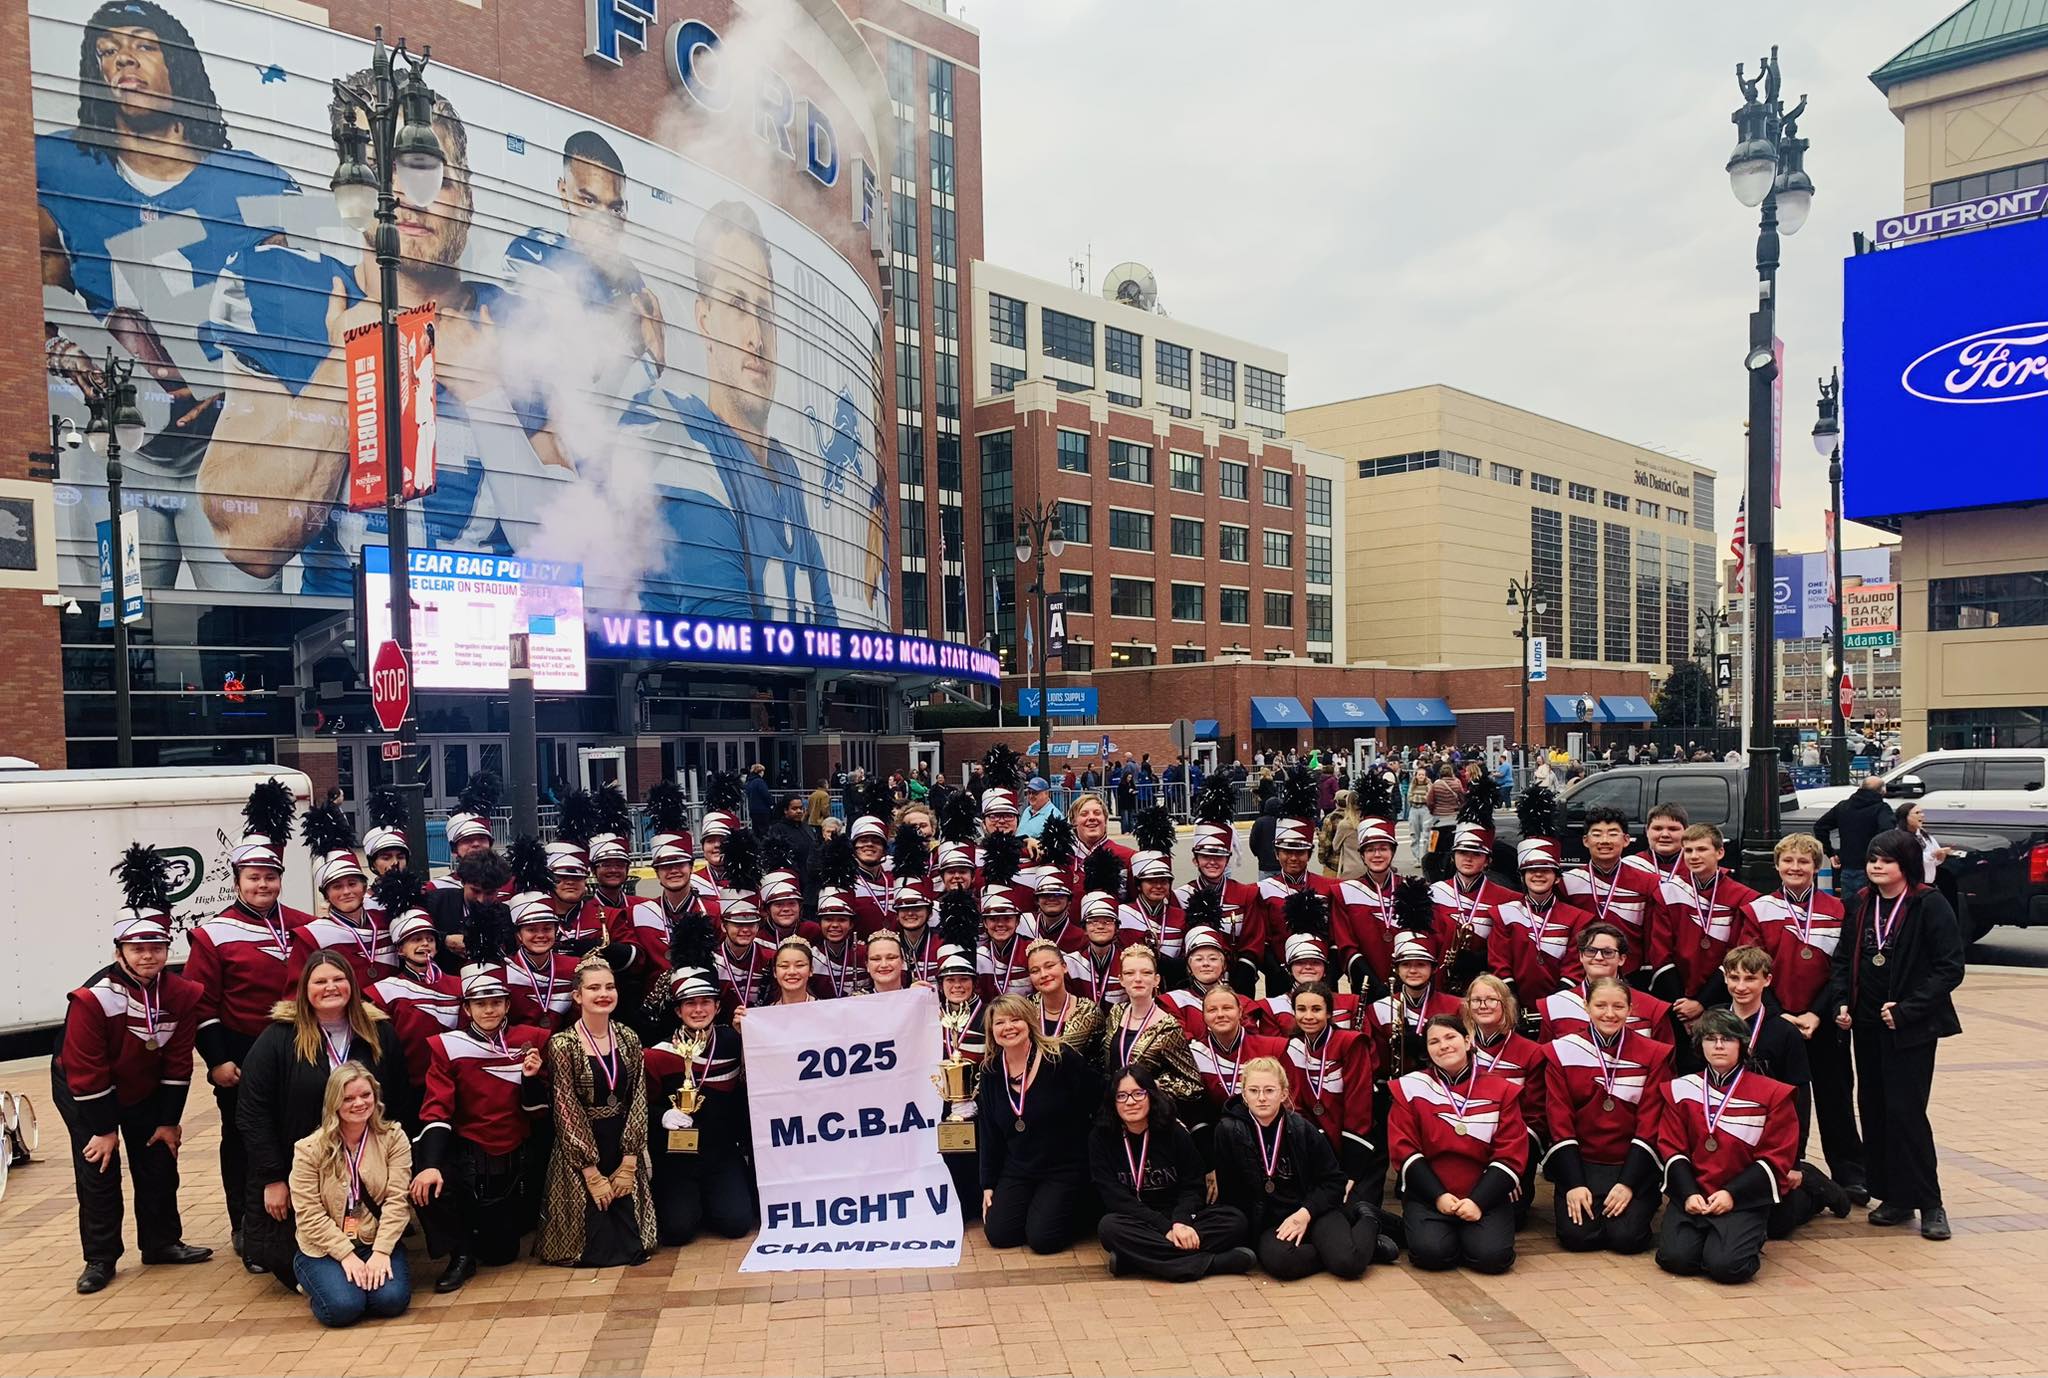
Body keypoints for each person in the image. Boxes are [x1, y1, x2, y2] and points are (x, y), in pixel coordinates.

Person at [38, 0, 301, 591]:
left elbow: (296, 311)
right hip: (121, 454)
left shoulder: (252, 178)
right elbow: (29, 292)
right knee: (120, 623)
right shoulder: (55, 165)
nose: (123, 59)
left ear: (177, 62)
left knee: (248, 628)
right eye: (107, 50)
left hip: (228, 450)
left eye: (142, 43)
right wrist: (61, 348)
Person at [53, 847, 211, 1294]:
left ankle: (161, 1242)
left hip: (142, 1085)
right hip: (85, 1088)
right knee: (99, 1167)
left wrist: (168, 1120)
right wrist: (103, 1129)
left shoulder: (182, 994)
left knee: (159, 1158)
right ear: (119, 950)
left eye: (156, 948)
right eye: (138, 948)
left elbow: (179, 1062)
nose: (148, 957)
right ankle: (100, 1258)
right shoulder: (92, 999)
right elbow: (85, 1070)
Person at [184, 781, 308, 1256]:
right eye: (253, 877)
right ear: (236, 880)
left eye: (270, 877)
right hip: (241, 1053)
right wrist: (216, 1061)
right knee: (242, 1138)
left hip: (300, 1049)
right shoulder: (211, 934)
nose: (263, 885)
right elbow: (201, 1005)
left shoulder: (302, 924)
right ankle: (245, 1224)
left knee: (299, 1134)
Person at [1823, 828, 1964, 1241]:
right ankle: (1895, 1196)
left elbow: (1949, 968)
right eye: (1872, 859)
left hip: (1910, 1028)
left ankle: (1930, 1202)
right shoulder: (1862, 904)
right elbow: (1843, 960)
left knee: (1906, 1113)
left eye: (1886, 859)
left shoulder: (1928, 905)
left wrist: (1908, 1009)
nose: (1876, 865)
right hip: (1866, 1026)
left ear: (1905, 864)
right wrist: (1840, 1004)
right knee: (1876, 1109)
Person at [237, 951, 408, 1282]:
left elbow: (399, 1099)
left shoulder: (378, 1033)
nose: (330, 987)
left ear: (352, 986)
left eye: (338, 979)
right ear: (305, 989)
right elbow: (252, 1110)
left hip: (364, 1165)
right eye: (320, 981)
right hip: (301, 1168)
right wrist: (273, 1177)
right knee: (289, 1269)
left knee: (381, 1287)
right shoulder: (279, 1038)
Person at [1735, 833, 1864, 1202]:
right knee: (1785, 1101)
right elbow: (1750, 966)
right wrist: (1780, 1015)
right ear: (1776, 866)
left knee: (1836, 1097)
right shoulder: (1759, 909)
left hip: (1822, 1019)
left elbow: (1843, 969)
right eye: (1788, 861)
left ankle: (1851, 1173)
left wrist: (1817, 1013)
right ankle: (1791, 1168)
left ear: (1816, 868)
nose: (1795, 868)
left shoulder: (1838, 909)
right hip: (1777, 1022)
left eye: (1803, 862)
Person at [410, 960, 550, 1293]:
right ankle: (458, 1253)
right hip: (465, 1147)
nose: (489, 1009)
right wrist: (430, 1165)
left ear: (507, 1005)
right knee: (427, 1179)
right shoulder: (447, 1045)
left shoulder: (530, 1040)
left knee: (501, 1254)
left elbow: (538, 1111)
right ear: (467, 1008)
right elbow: (437, 1109)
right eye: (480, 1003)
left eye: (496, 1002)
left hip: (513, 1150)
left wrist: (531, 1079)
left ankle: (481, 1232)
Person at [1653, 1009, 1801, 1284]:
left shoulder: (1773, 1094)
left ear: (1742, 1045)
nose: (1718, 1046)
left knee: (1727, 1268)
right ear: (1700, 1045)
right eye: (1710, 1038)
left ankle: (1813, 1192)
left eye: (1727, 1039)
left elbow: (1776, 1156)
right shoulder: (1681, 1089)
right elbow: (1672, 1147)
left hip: (1742, 1196)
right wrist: (1687, 1194)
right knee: (1676, 1260)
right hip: (1696, 1192)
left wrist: (1732, 1194)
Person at [537, 957, 657, 1266]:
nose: (603, 994)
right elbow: (564, 1106)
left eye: (609, 987)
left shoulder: (629, 1038)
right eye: (594, 988)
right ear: (578, 996)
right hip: (583, 1146)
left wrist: (630, 1162)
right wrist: (590, 1173)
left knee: (634, 1246)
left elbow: (638, 1098)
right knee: (596, 1248)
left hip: (622, 1142)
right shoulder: (563, 1044)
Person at [1540, 975, 1671, 1254]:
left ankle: (1637, 1202)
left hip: (1631, 1162)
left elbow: (1650, 1122)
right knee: (1578, 1238)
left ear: (1630, 1009)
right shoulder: (1562, 1052)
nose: (1609, 1014)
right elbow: (1559, 1120)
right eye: (1600, 1005)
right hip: (1583, 1162)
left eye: (1618, 1006)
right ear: (1586, 1007)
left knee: (1627, 1239)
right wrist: (1574, 1184)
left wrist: (1627, 1184)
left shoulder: (1654, 1054)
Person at [1213, 1057, 1376, 1280]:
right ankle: (1357, 1248)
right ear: (1244, 1095)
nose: (1261, 1098)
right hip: (1271, 1222)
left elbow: (1334, 1181)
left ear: (1283, 1093)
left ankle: (1368, 1218)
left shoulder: (1301, 1128)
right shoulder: (1228, 1130)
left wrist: (1305, 1213)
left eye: (1269, 1090)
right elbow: (1231, 1193)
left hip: (1312, 1210)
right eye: (1254, 1090)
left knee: (1348, 1264)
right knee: (1281, 1262)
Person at [1389, 1016, 1527, 1274]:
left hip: (1485, 1195)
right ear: (1428, 1050)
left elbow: (1511, 1152)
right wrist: (1439, 1196)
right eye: (1434, 1041)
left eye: (1450, 1037)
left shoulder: (1502, 1089)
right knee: (1433, 1256)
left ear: (1467, 1040)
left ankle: (1463, 1234)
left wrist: (1478, 1202)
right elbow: (1403, 1148)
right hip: (1430, 1195)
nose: (1443, 1046)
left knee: (1492, 1259)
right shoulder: (1409, 1088)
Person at [1091, 1064, 1255, 1280]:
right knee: (1109, 1228)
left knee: (1235, 1221)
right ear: (1113, 1102)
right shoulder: (1101, 1137)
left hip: (1180, 1215)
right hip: (1137, 1219)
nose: (1130, 1102)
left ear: (1151, 1095)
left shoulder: (1173, 1131)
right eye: (1121, 1096)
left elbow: (1193, 1185)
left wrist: (1181, 1222)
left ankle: (1134, 1260)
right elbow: (1115, 1197)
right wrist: (1166, 1228)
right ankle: (1213, 1263)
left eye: (1138, 1093)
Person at [288, 1063, 414, 1327]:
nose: (359, 1103)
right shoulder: (308, 1149)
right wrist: (346, 1255)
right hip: (324, 1249)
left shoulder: (393, 1137)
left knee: (391, 1301)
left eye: (366, 1095)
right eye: (348, 1098)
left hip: (374, 1241)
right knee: (343, 1309)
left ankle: (358, 1284)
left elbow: (397, 1200)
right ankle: (320, 1282)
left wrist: (381, 1252)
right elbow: (309, 1214)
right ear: (334, 1101)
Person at [978, 994, 1102, 1253]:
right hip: (1019, 1168)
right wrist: (988, 1184)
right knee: (999, 1234)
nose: (1008, 1027)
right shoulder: (990, 1071)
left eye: (1016, 1020)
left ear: (1030, 1022)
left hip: (1064, 1166)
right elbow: (989, 1132)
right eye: (1000, 1023)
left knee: (1043, 1240)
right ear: (992, 1030)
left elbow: (1097, 1099)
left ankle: (1085, 1208)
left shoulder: (1060, 1058)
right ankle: (1042, 1208)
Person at [645, 968, 756, 1247]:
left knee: (737, 1224)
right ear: (678, 1011)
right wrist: (662, 1116)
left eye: (705, 1002)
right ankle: (693, 1204)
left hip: (722, 1153)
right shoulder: (656, 1055)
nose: (698, 1010)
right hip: (677, 1157)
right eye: (690, 1004)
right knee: (676, 1231)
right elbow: (641, 1106)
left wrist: (749, 1034)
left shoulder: (733, 1043)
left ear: (717, 1007)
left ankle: (712, 1200)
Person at [1561, 807, 1662, 986]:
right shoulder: (1569, 882)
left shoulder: (1648, 882)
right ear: (1585, 840)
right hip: (1579, 974)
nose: (1605, 841)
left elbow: (1651, 937)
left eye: (1612, 834)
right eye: (1597, 834)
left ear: (1626, 840)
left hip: (1630, 974)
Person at [1098, 946, 1202, 1114]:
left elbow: (1193, 1084)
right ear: (1121, 979)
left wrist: (1154, 1085)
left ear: (1156, 980)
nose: (1138, 979)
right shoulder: (1116, 1013)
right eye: (1130, 973)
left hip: (1149, 1111)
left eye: (1146, 973)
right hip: (1114, 1107)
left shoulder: (1168, 1027)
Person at [1537, 923, 1673, 1042]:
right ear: (1581, 956)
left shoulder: (1652, 1008)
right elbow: (1546, 1062)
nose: (1598, 957)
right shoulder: (1555, 1005)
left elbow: (1664, 1065)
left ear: (1622, 959)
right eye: (1591, 951)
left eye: (1607, 952)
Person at [1814, 778, 1897, 900]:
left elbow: (1820, 827)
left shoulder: (1843, 806)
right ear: (1882, 791)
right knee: (1869, 909)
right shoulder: (1881, 809)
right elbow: (1887, 832)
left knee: (1849, 911)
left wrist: (1830, 852)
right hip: (1870, 867)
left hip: (1846, 867)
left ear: (1860, 787)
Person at [1026, 938, 1102, 1056]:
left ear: (1064, 967)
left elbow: (1099, 1063)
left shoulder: (1088, 1012)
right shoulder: (1025, 1009)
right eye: (1035, 971)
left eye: (1049, 966)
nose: (1044, 974)